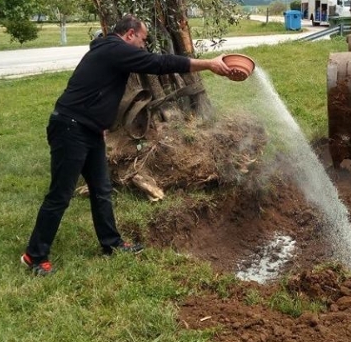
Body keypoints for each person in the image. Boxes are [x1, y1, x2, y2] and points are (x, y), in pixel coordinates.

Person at [21, 14, 233, 275]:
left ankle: (111, 244)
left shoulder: (110, 49)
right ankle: (35, 256)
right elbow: (160, 63)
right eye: (142, 40)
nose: (143, 46)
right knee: (60, 195)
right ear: (129, 34)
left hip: (89, 129)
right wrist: (209, 64)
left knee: (102, 189)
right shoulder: (115, 49)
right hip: (70, 129)